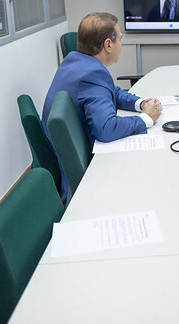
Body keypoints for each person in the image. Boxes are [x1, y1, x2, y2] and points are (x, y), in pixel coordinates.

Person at [42, 12, 162, 199]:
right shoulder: (93, 74)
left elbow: (111, 91)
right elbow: (105, 129)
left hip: (65, 157)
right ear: (108, 44)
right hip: (88, 173)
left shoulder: (74, 61)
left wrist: (141, 103)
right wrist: (146, 118)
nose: (120, 45)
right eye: (119, 40)